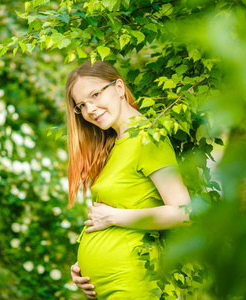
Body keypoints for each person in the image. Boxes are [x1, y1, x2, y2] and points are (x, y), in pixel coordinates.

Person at [65, 60, 191, 299]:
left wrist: (114, 217)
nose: (90, 109)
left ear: (120, 87)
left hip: (132, 282)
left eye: (95, 95)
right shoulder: (114, 145)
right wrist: (83, 267)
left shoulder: (148, 139)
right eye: (82, 105)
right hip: (110, 285)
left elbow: (184, 213)